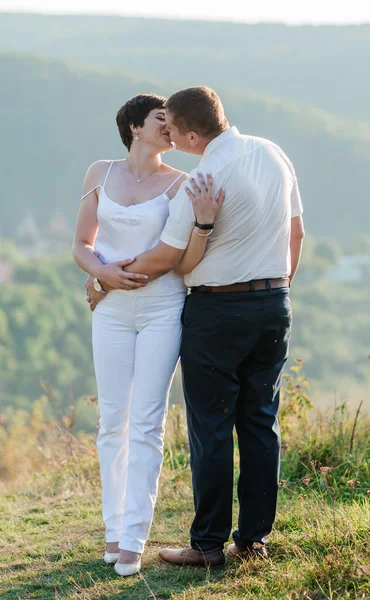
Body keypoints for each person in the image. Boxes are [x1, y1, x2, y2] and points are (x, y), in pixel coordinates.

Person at [112, 86, 305, 567]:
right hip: (275, 302)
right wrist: (276, 292)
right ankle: (254, 541)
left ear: (194, 134)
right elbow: (297, 231)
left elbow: (168, 258)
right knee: (261, 422)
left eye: (174, 130)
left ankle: (208, 546)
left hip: (218, 312)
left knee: (212, 428)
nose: (169, 136)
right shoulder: (273, 152)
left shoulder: (203, 180)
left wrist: (107, 277)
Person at [72, 92, 224, 577]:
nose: (171, 126)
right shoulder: (99, 172)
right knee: (111, 422)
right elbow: (81, 242)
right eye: (162, 119)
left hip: (163, 309)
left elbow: (176, 256)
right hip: (111, 312)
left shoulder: (182, 183)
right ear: (136, 127)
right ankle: (113, 530)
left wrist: (110, 276)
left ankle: (136, 536)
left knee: (146, 423)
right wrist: (99, 275)